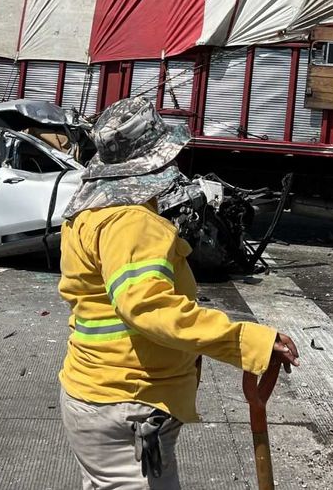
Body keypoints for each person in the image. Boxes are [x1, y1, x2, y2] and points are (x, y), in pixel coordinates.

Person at [58, 96, 299, 489]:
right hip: (128, 400)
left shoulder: (90, 214)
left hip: (98, 393)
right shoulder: (132, 221)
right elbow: (149, 307)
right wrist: (246, 341)